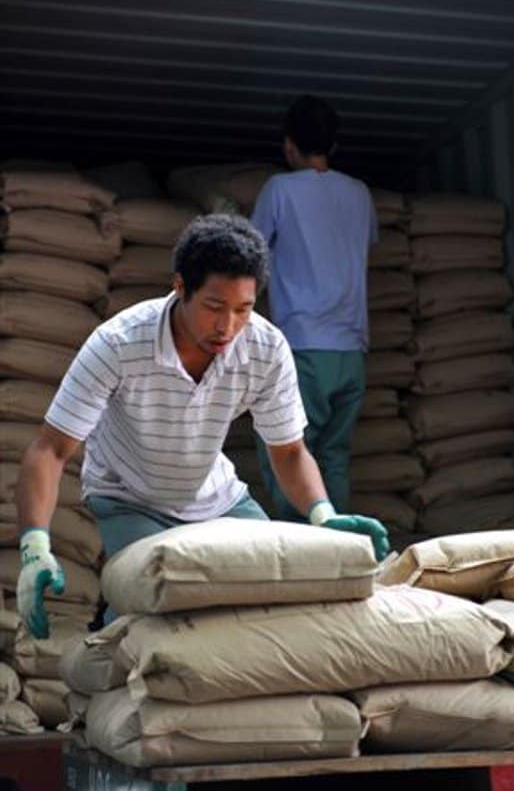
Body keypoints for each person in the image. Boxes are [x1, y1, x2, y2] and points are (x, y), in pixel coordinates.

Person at [16, 214, 389, 640]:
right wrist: (34, 549)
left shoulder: (265, 350)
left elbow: (288, 452)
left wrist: (323, 517)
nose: (227, 325)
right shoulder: (118, 344)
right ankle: (111, 618)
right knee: (147, 620)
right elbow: (50, 450)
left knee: (279, 602)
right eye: (214, 306)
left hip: (218, 499)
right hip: (128, 498)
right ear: (180, 288)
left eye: (243, 309)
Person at [251, 94, 377, 521]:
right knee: (334, 456)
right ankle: (343, 549)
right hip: (352, 350)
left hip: (304, 347)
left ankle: (301, 552)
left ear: (289, 146)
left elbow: (251, 253)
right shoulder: (360, 193)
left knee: (287, 451)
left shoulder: (279, 190)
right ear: (334, 146)